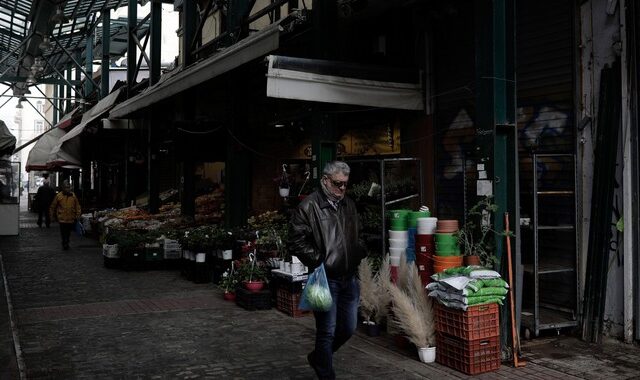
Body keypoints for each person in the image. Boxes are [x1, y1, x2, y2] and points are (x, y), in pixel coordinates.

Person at [289, 161, 367, 380]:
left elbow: (358, 235)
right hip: (324, 278)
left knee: (349, 327)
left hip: (349, 278)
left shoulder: (348, 205)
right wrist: (320, 261)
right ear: (325, 181)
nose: (342, 188)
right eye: (337, 183)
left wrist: (358, 251)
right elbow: (295, 241)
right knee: (327, 330)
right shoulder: (308, 207)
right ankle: (326, 374)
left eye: (345, 184)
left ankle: (318, 358)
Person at [49, 181, 81, 250]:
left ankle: (67, 241)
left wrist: (78, 214)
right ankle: (64, 243)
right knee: (63, 232)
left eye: (69, 187)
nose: (68, 189)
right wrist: (52, 216)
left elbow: (77, 206)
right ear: (63, 188)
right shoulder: (59, 196)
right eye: (66, 187)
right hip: (62, 218)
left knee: (68, 232)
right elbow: (53, 206)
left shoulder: (73, 195)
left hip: (70, 218)